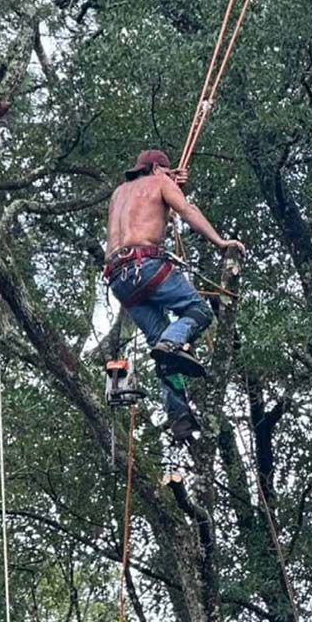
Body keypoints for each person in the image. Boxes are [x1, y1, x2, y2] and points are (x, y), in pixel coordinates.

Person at [104, 149, 246, 440]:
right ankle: (172, 342)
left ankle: (178, 414)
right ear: (156, 168)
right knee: (199, 311)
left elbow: (148, 216)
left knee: (162, 351)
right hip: (146, 266)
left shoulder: (119, 193)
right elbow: (187, 211)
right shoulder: (159, 182)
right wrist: (221, 242)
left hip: (118, 278)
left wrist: (171, 183)